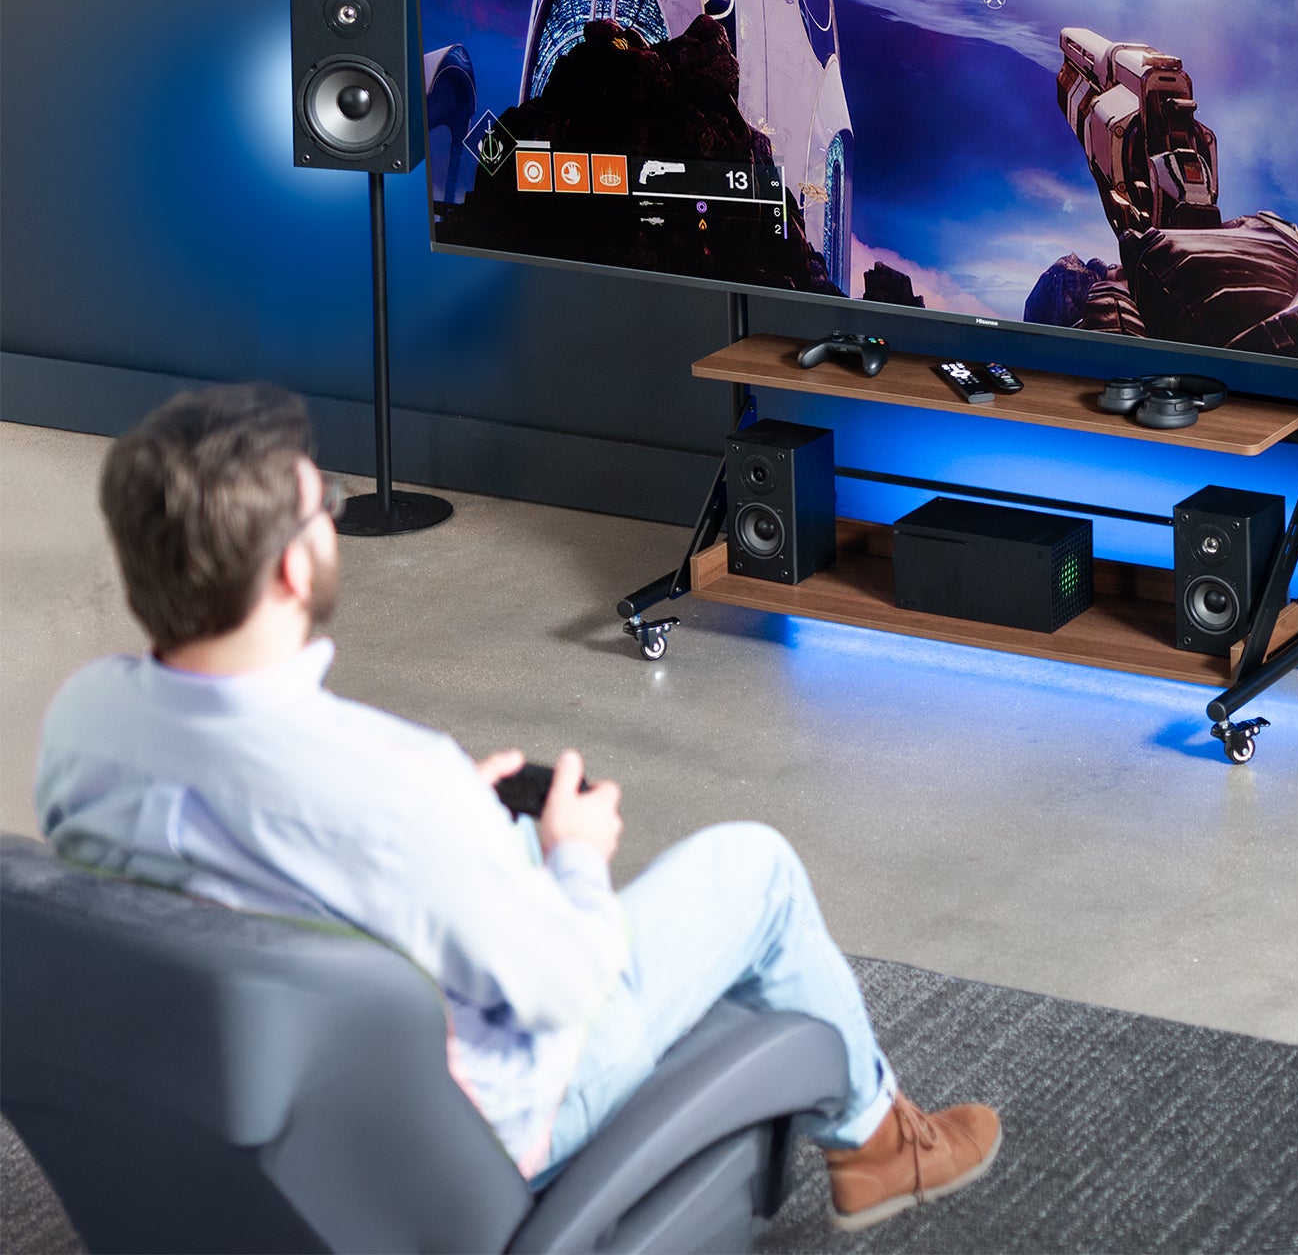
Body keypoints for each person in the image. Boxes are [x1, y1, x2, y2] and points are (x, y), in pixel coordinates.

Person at [33, 384, 999, 1230]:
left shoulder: (85, 720)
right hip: (469, 1127)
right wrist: (571, 854)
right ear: (291, 569)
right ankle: (880, 1144)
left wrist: (468, 823)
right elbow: (561, 990)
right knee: (757, 872)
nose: (328, 519)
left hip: (238, 1096)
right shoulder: (391, 785)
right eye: (319, 506)